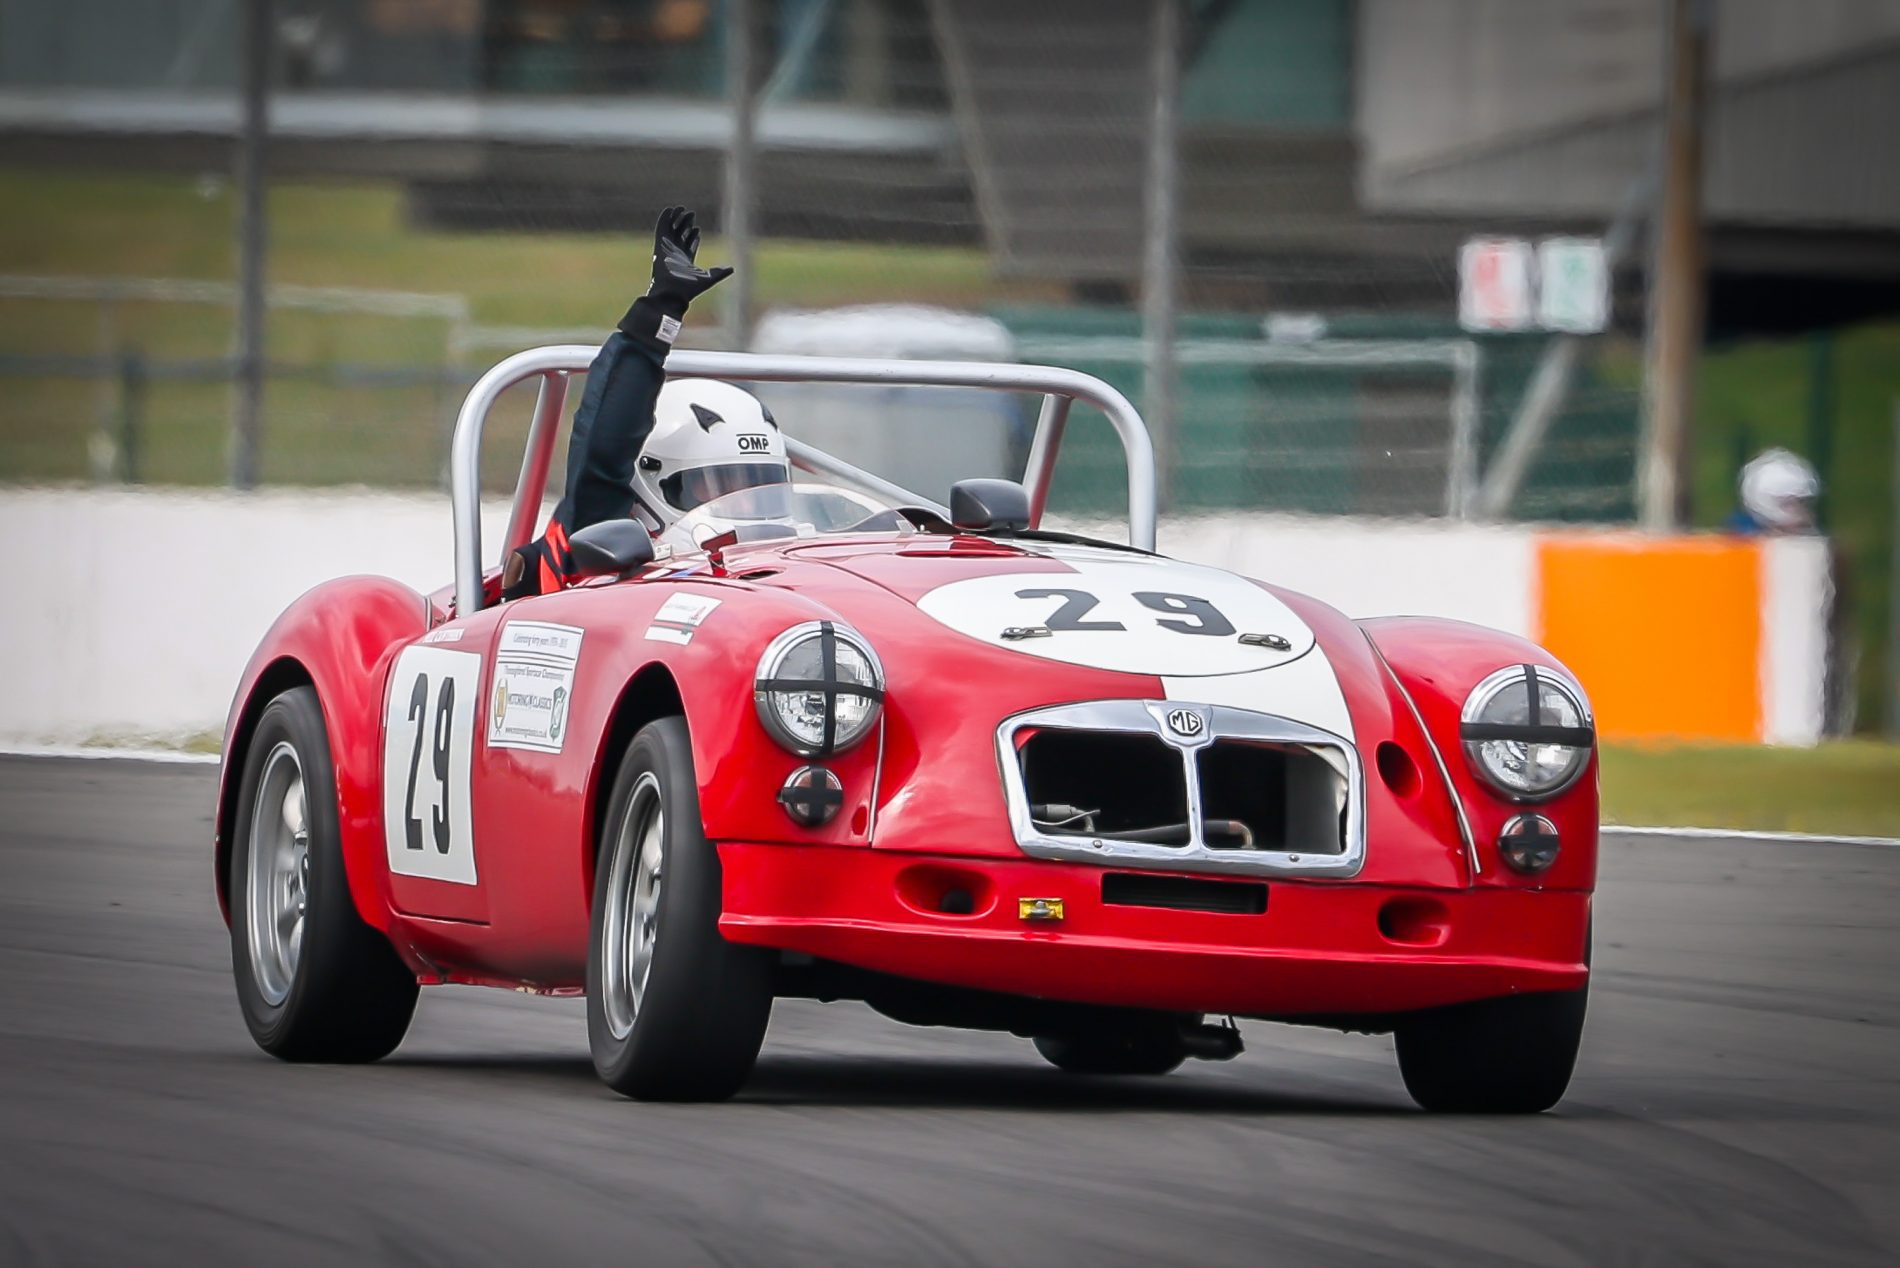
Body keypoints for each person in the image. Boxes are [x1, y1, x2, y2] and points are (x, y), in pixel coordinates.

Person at [501, 206, 792, 600]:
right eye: (718, 488)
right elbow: (603, 446)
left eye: (758, 488)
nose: (744, 507)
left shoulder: (798, 565)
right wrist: (660, 311)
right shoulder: (600, 551)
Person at [1724, 447, 1820, 535]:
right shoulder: (1735, 543)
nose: (1802, 514)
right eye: (1789, 503)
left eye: (1803, 503)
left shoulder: (1811, 542)